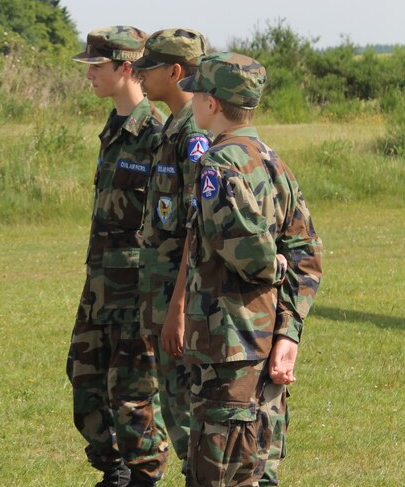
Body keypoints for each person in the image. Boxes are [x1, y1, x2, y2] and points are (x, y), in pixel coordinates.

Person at [178, 53, 323, 486]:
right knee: (259, 468)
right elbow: (308, 253)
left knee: (222, 472)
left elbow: (255, 255)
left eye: (197, 93)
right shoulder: (273, 161)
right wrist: (288, 331)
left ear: (212, 102)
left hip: (229, 348)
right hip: (262, 346)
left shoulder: (218, 166)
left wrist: (272, 266)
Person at [66, 26, 170, 487]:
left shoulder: (157, 136)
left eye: (96, 66)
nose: (88, 74)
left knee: (131, 392)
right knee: (84, 378)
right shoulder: (113, 130)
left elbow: (170, 223)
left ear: (126, 68)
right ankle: (116, 469)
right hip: (100, 283)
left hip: (136, 290)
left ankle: (144, 474)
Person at [131, 28, 210, 485]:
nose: (139, 74)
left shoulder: (192, 136)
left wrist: (177, 308)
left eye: (148, 67)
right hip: (161, 295)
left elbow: (195, 233)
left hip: (181, 300)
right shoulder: (172, 129)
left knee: (187, 410)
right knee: (177, 408)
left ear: (175, 72)